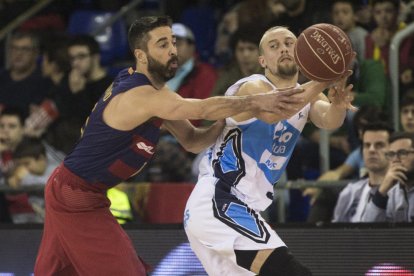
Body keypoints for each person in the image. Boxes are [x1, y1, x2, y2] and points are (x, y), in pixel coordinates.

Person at [34, 16, 323, 275]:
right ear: (141, 56)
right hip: (76, 195)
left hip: (76, 190)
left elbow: (193, 140)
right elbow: (202, 108)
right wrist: (253, 102)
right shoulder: (141, 95)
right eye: (162, 44)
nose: (172, 50)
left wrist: (233, 119)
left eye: (173, 42)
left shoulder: (159, 96)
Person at [184, 26, 354, 275]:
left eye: (289, 43)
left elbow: (329, 120)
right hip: (219, 200)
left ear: (300, 53)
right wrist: (327, 76)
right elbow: (280, 110)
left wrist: (338, 104)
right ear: (262, 60)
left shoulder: (307, 97)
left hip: (241, 207)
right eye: (274, 46)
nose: (283, 48)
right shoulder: (251, 88)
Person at [332, 122, 393, 222]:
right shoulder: (350, 191)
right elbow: (337, 233)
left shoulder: (402, 192)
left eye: (379, 145)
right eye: (367, 145)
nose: (372, 150)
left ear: (392, 151)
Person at [362, 132, 414, 222]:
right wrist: (382, 192)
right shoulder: (391, 192)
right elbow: (368, 229)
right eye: (391, 154)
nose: (395, 159)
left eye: (402, 153)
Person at [0, 31, 49, 116]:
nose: (18, 53)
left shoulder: (43, 83)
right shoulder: (2, 77)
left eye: (25, 49)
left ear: (36, 53)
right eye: (14, 48)